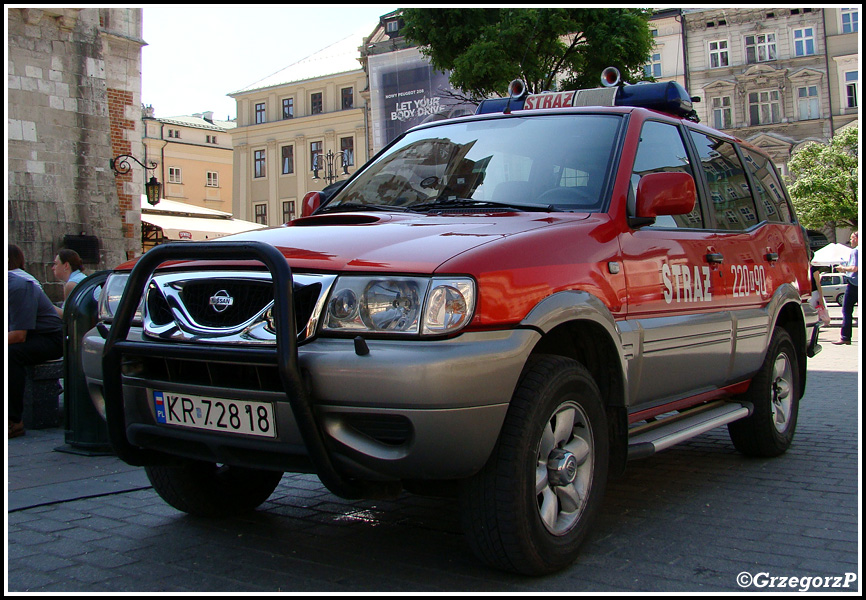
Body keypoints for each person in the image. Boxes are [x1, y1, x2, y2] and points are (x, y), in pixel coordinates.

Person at [8, 272, 64, 439]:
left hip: (49, 338)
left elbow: (19, 335)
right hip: (27, 336)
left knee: (10, 355)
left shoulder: (17, 287)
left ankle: (14, 421)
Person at [833, 231, 858, 346]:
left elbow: (854, 268)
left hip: (854, 284)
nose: (851, 241)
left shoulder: (856, 251)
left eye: (852, 238)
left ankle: (845, 337)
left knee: (847, 311)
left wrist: (843, 268)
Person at [52, 248, 86, 316]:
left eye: (56, 264)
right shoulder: (81, 278)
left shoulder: (72, 284)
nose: (53, 268)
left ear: (66, 265)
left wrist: (45, 303)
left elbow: (67, 316)